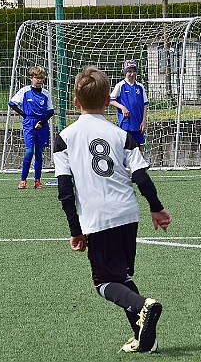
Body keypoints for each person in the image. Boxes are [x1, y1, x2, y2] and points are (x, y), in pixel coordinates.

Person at [53, 66, 172, 353]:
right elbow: (141, 176)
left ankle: (144, 304)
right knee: (121, 277)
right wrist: (156, 208)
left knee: (104, 283)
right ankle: (146, 340)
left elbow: (65, 192)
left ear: (76, 102)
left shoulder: (64, 138)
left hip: (98, 218)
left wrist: (75, 230)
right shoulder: (121, 135)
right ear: (109, 101)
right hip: (128, 213)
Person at [8, 65, 54, 189]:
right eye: (36, 78)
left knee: (39, 152)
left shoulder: (46, 93)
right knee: (29, 151)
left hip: (42, 124)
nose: (39, 80)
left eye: (41, 78)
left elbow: (51, 111)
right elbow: (12, 103)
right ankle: (23, 180)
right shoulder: (24, 91)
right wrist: (24, 115)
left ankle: (37, 181)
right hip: (29, 123)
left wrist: (42, 123)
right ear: (31, 78)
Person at [110, 60, 149, 148]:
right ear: (125, 72)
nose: (132, 74)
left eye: (134, 71)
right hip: (126, 124)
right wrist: (122, 107)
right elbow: (110, 100)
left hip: (138, 125)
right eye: (129, 71)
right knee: (126, 150)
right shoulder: (120, 85)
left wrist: (144, 121)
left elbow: (145, 104)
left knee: (137, 151)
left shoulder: (140, 86)